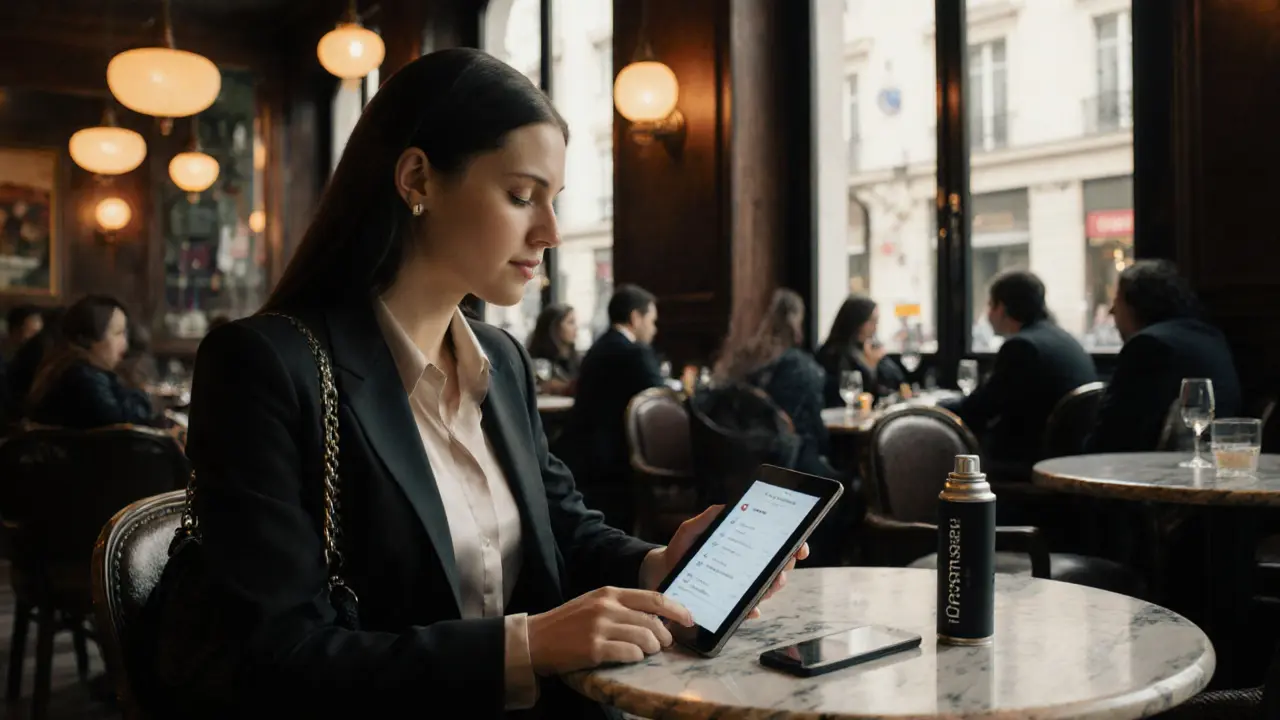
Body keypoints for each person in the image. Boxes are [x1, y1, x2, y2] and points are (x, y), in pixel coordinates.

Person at [144, 49, 802, 719]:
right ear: (417, 178)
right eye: (522, 196)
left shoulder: (500, 359)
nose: (549, 232)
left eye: (554, 201)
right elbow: (275, 656)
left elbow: (560, 533)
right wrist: (526, 646)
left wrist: (657, 564)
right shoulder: (264, 367)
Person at [941, 271, 1097, 465]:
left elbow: (980, 408)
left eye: (990, 305)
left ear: (1002, 308)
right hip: (1069, 459)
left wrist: (932, 408)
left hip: (1028, 463)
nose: (987, 314)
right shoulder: (1065, 339)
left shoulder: (1022, 347)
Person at [1085, 260, 1241, 453]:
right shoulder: (1209, 335)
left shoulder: (1148, 345)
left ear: (1136, 304)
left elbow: (1113, 437)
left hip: (1160, 470)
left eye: (1117, 300)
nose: (1111, 311)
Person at [555, 284, 665, 531]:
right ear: (636, 318)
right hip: (612, 462)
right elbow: (663, 399)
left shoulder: (600, 346)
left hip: (582, 454)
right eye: (652, 320)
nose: (654, 329)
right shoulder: (634, 352)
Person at [714, 288, 831, 474]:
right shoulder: (801, 366)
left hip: (735, 463)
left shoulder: (737, 361)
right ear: (796, 321)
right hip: (792, 465)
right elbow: (813, 428)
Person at [25, 295, 157, 429]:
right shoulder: (82, 376)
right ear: (88, 339)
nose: (125, 343)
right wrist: (140, 391)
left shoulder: (68, 366)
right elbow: (119, 421)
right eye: (118, 333)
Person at [816, 294, 905, 407]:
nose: (875, 327)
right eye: (871, 321)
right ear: (856, 321)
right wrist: (871, 368)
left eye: (876, 322)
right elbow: (852, 393)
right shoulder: (834, 354)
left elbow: (898, 379)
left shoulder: (867, 348)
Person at [525, 302, 581, 394]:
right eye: (570, 322)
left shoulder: (576, 360)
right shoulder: (539, 364)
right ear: (554, 327)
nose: (576, 328)